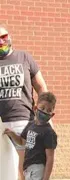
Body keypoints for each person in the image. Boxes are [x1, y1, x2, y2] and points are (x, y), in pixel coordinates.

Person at [0, 24, 48, 180]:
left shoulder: (24, 58)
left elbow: (41, 87)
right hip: (1, 124)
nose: (1, 41)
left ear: (10, 37)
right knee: (6, 172)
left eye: (4, 36)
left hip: (24, 121)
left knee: (26, 169)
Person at [3, 92, 58, 180]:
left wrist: (46, 178)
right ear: (35, 108)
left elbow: (50, 158)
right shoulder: (30, 125)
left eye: (49, 110)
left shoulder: (49, 132)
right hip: (27, 168)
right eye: (42, 108)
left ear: (52, 114)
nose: (45, 112)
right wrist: (12, 134)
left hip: (38, 168)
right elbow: (22, 142)